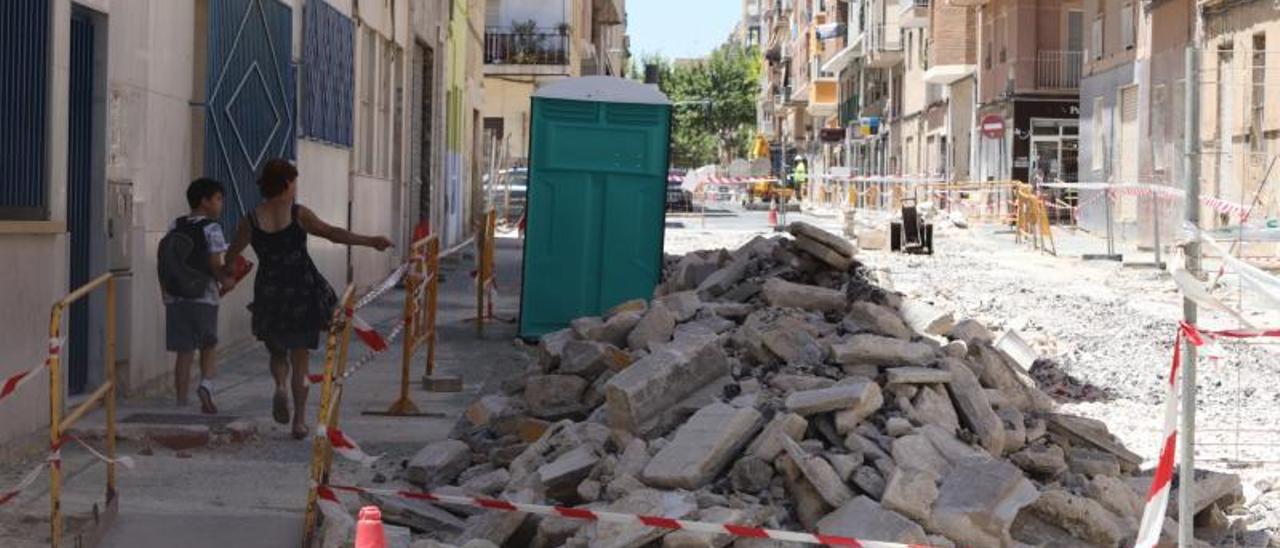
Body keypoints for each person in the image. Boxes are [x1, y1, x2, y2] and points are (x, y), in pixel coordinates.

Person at [224, 159, 392, 439]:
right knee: (300, 357)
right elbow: (332, 234)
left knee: (277, 352)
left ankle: (279, 385)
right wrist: (370, 240)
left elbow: (232, 254)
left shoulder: (250, 219)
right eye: (294, 183)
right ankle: (299, 422)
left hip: (270, 290)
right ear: (287, 183)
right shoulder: (298, 213)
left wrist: (226, 270)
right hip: (301, 288)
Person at [161, 178, 236, 415]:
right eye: (218, 198)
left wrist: (164, 291)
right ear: (205, 201)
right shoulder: (212, 228)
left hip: (176, 297)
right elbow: (215, 263)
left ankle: (181, 401)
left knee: (184, 352)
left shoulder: (175, 224)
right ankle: (205, 385)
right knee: (208, 345)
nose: (221, 204)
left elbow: (165, 260)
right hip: (204, 295)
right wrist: (226, 280)